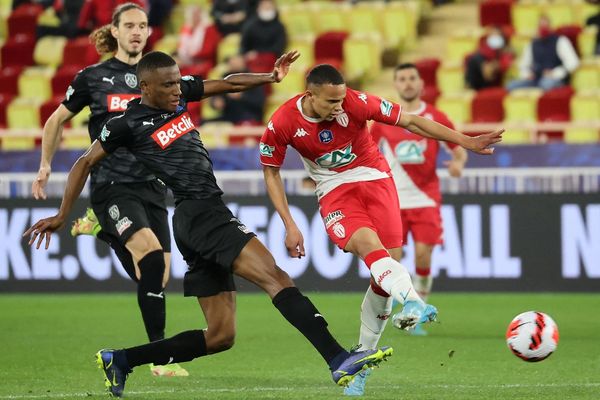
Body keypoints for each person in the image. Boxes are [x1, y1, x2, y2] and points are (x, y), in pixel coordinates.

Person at [24, 50, 394, 398]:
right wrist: (61, 214)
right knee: (275, 278)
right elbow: (84, 163)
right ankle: (337, 359)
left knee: (219, 336)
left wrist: (270, 76)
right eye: (168, 85)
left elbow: (229, 83)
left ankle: (120, 360)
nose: (177, 89)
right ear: (145, 88)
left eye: (177, 82)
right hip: (201, 215)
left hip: (194, 218)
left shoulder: (179, 93)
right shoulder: (126, 124)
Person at [259, 64, 501, 394]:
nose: (340, 107)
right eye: (332, 101)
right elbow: (271, 170)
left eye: (342, 98)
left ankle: (360, 364)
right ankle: (414, 302)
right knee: (369, 248)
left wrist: (464, 141)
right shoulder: (283, 122)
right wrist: (289, 223)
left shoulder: (358, 102)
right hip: (334, 191)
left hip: (376, 180)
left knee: (382, 278)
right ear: (310, 95)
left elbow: (413, 121)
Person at [30, 3, 187, 378]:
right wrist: (45, 165)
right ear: (114, 31)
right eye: (129, 25)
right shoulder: (93, 78)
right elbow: (56, 119)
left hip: (152, 185)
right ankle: (160, 360)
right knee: (149, 257)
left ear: (149, 32)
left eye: (143, 26)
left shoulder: (161, 75)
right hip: (112, 184)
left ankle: (102, 230)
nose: (137, 31)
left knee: (157, 276)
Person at [342, 63, 468, 396]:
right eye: (401, 78)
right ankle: (407, 309)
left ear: (421, 83)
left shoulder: (437, 116)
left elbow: (456, 148)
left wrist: (457, 162)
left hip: (425, 199)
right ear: (397, 83)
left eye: (412, 77)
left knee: (424, 253)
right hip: (392, 199)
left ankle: (418, 308)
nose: (407, 82)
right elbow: (362, 148)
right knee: (389, 267)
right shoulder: (385, 120)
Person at [507, 14, 579, 92]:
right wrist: (527, 74)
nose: (543, 28)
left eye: (545, 25)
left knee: (545, 84)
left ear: (551, 26)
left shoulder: (561, 41)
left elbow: (573, 62)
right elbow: (523, 64)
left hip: (553, 79)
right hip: (536, 79)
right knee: (511, 85)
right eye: (541, 26)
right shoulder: (532, 43)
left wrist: (555, 73)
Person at [209, 54, 266, 124]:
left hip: (249, 115)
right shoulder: (225, 77)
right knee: (204, 122)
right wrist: (215, 102)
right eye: (231, 60)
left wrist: (242, 96)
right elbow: (216, 96)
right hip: (229, 116)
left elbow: (259, 102)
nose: (233, 62)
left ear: (243, 61)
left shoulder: (254, 78)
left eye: (236, 60)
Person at [176, 4, 221, 78]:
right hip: (186, 62)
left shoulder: (209, 28)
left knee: (189, 75)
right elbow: (180, 47)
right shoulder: (185, 28)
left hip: (203, 63)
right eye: (192, 14)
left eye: (197, 14)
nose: (194, 17)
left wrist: (188, 59)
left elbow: (209, 51)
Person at [465, 26, 514, 90]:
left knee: (478, 60)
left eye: (497, 35)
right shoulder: (483, 48)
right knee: (475, 58)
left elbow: (505, 64)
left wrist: (495, 65)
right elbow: (468, 58)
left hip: (493, 79)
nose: (494, 37)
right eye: (492, 35)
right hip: (479, 74)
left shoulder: (506, 51)